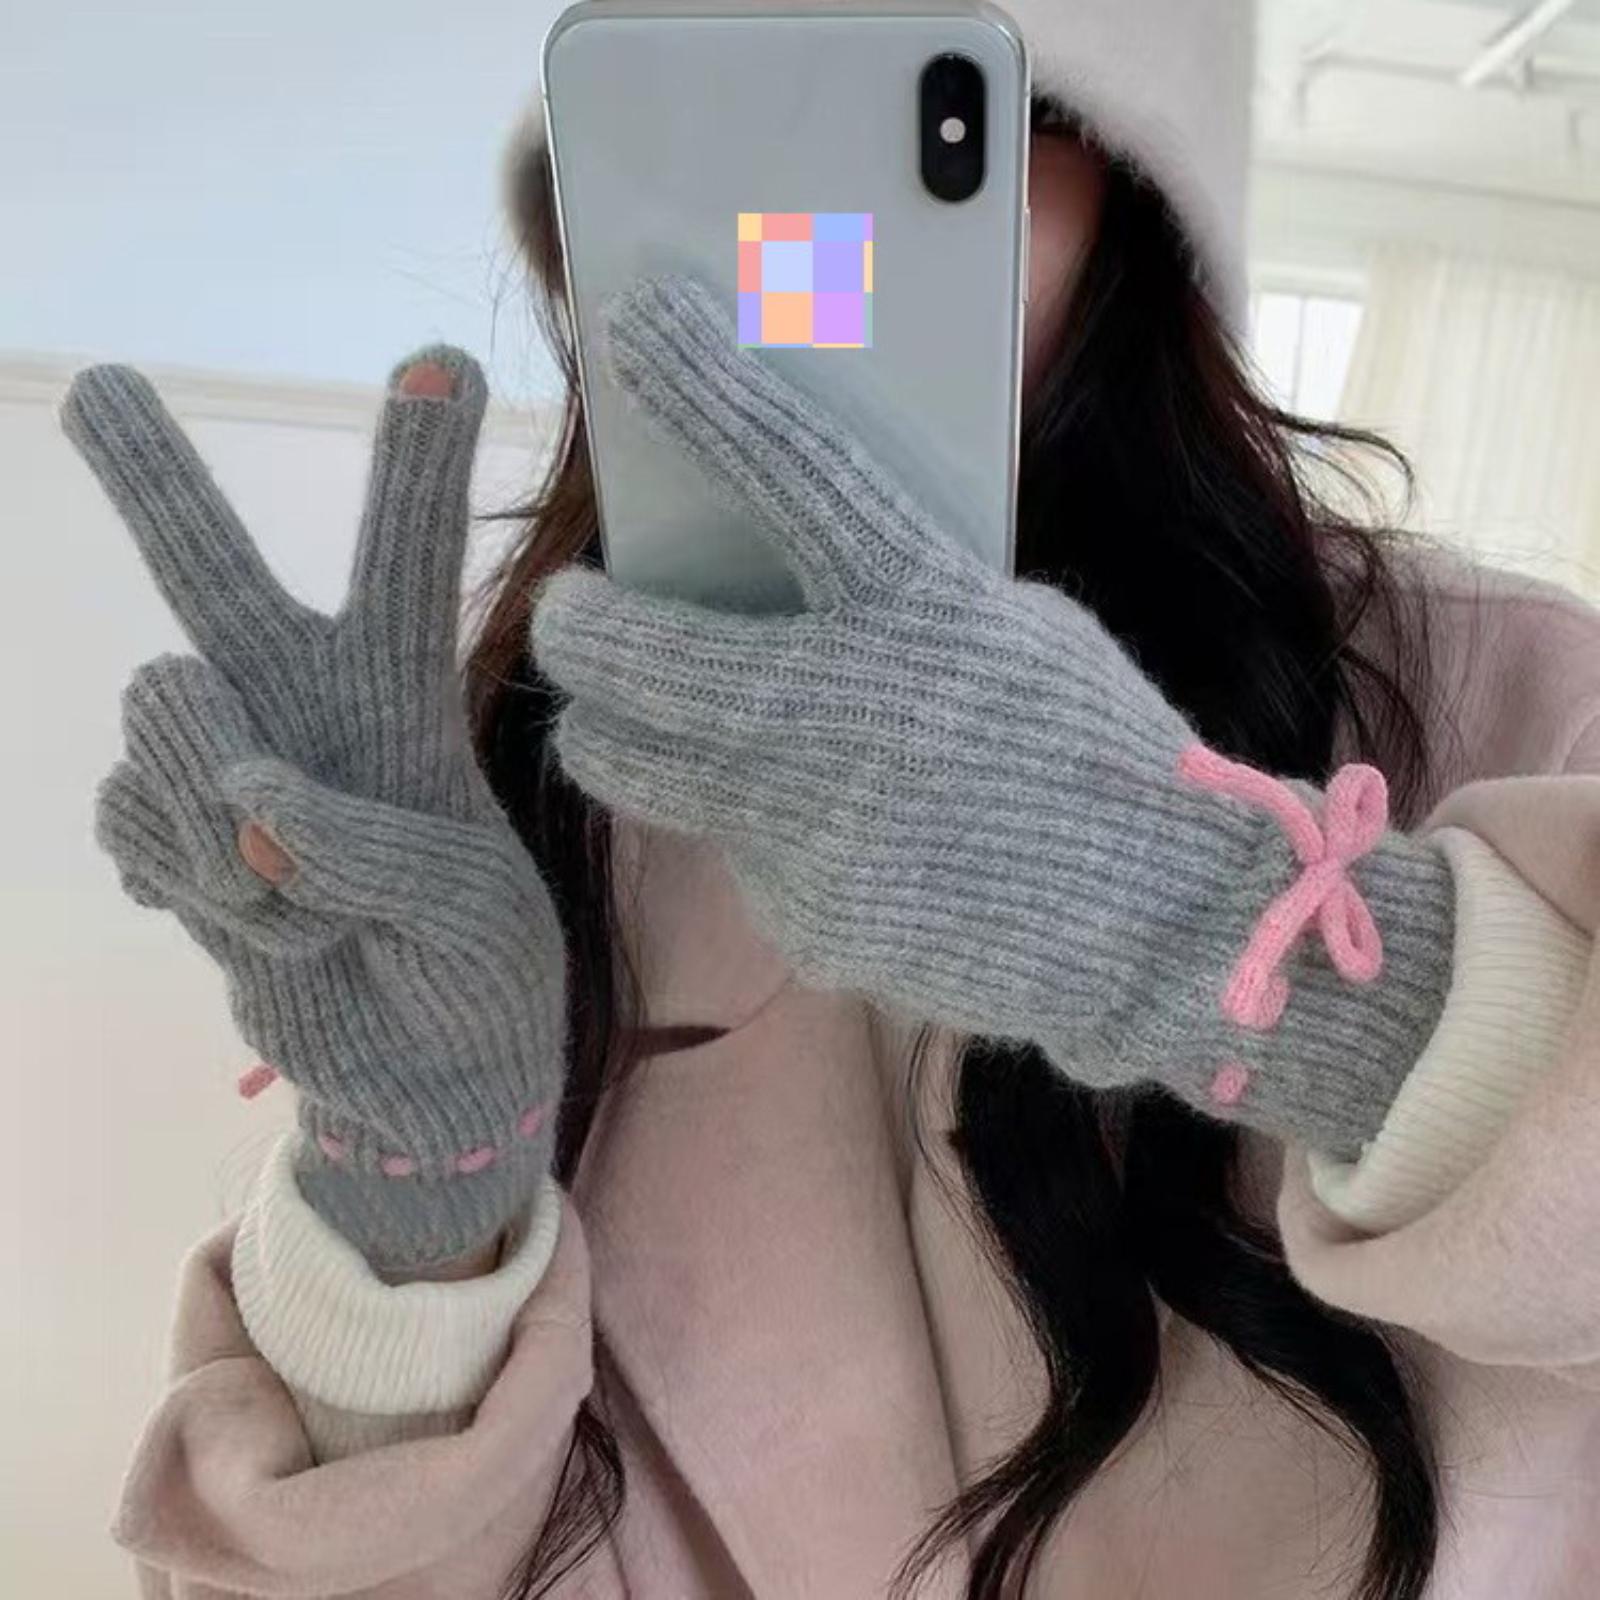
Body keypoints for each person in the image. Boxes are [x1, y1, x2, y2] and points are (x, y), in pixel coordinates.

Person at [65, 3, 1600, 1597]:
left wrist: (1232, 929)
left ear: (1139, 184)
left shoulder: (1514, 701)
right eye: (709, 124)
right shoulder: (541, 778)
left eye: (928, 122)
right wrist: (414, 1216)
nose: (806, 234)